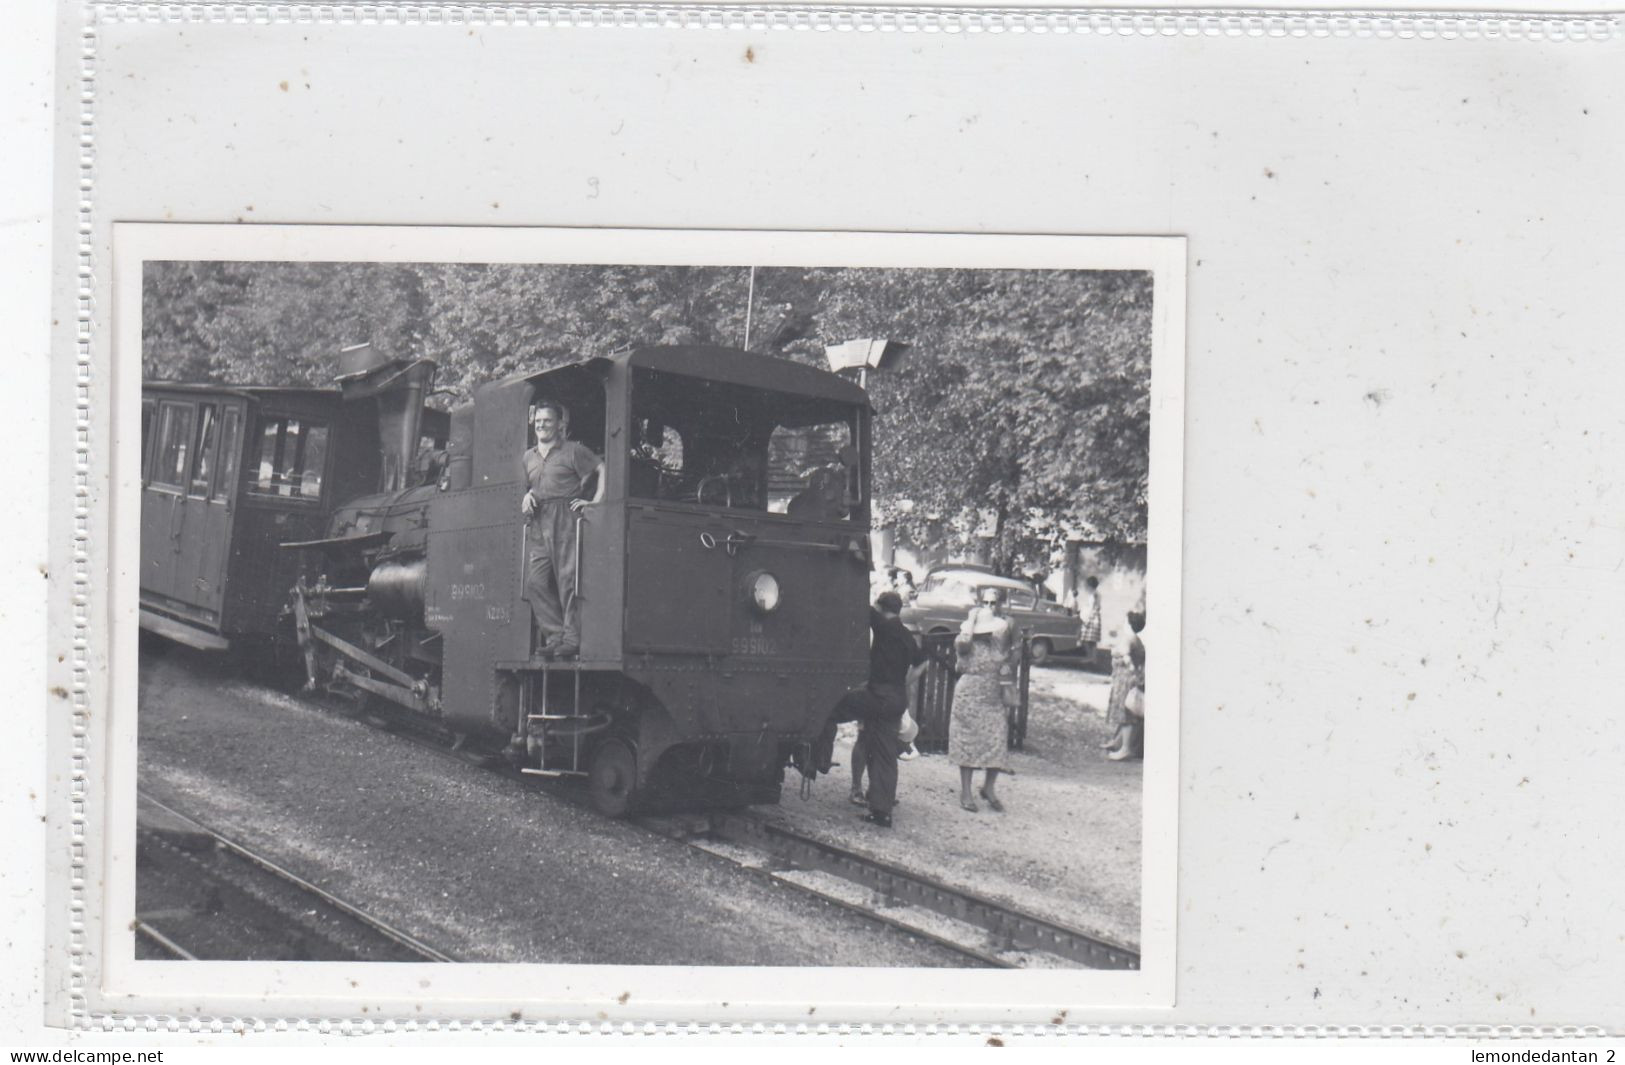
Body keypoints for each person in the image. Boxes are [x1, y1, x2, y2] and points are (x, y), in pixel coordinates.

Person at [813, 591, 928, 828]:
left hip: (876, 696)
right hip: (896, 699)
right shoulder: (907, 636)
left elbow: (858, 604)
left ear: (881, 608)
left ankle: (821, 758)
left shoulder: (883, 626)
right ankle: (882, 812)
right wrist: (905, 682)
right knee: (886, 755)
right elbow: (922, 663)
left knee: (829, 709)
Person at [519, 401, 604, 658]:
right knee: (535, 582)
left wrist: (596, 502)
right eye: (539, 420)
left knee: (567, 580)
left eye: (548, 420)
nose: (542, 424)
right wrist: (527, 496)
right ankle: (555, 635)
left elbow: (601, 468)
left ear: (559, 425)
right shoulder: (528, 456)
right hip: (539, 519)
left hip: (565, 517)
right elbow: (536, 483)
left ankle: (571, 639)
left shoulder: (573, 451)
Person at [949, 587, 1016, 813]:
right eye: (986, 602)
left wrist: (1001, 637)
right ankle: (966, 792)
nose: (990, 607)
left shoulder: (1004, 633)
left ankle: (989, 788)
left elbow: (1010, 658)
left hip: (992, 692)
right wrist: (972, 622)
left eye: (994, 603)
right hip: (970, 692)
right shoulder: (965, 637)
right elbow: (961, 656)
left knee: (996, 738)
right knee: (967, 742)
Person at [1104, 602, 1147, 760]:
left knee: (1126, 715)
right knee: (1126, 713)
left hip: (1126, 680)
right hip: (1127, 679)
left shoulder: (1129, 639)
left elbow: (1127, 656)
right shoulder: (1136, 639)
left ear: (1128, 623)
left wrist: (1132, 671)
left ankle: (1125, 748)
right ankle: (1118, 742)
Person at [1078, 576, 1103, 650]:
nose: (1087, 588)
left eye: (1088, 586)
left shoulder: (1093, 595)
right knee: (1092, 640)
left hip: (1091, 617)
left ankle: (1090, 657)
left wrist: (1086, 619)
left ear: (1090, 586)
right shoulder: (1097, 594)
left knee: (1087, 639)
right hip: (1095, 616)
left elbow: (1091, 608)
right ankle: (1092, 657)